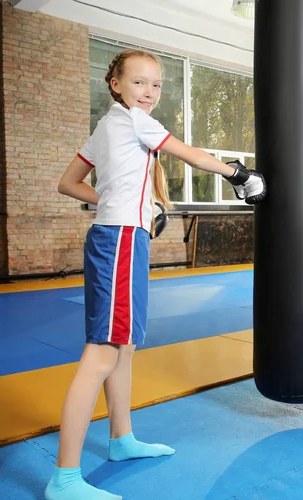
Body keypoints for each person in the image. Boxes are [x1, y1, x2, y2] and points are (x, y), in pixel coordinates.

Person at [45, 49, 266, 500]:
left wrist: (121, 200)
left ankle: (122, 439)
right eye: (139, 82)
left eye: (156, 84)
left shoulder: (107, 125)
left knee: (122, 346)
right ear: (116, 84)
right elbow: (188, 154)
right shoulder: (131, 121)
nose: (148, 92)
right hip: (121, 241)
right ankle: (64, 478)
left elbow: (68, 182)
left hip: (117, 236)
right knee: (102, 353)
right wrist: (239, 173)